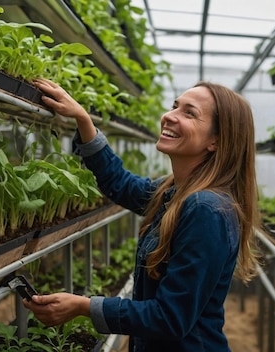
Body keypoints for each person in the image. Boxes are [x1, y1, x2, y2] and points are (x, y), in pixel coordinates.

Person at [22, 78, 261, 352]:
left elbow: (170, 318)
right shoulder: (173, 190)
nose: (169, 117)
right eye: (174, 106)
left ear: (216, 142)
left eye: (189, 113)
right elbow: (121, 183)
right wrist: (83, 120)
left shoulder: (205, 209)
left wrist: (84, 307)